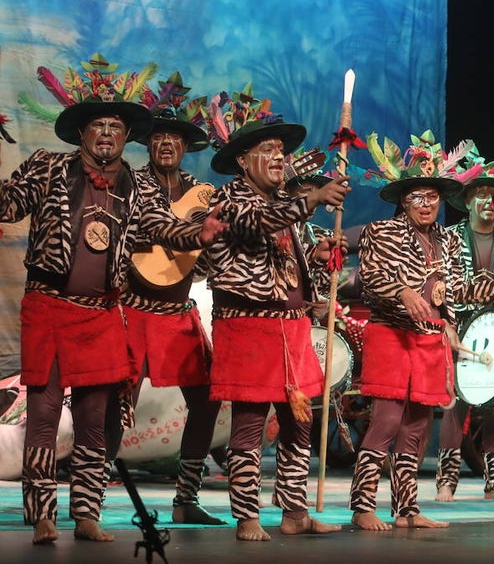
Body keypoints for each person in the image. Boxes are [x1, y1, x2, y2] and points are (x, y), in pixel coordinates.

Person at [2, 60, 225, 545]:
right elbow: (9, 204)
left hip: (104, 312)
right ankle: (42, 514)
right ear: (82, 131)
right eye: (98, 125)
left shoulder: (139, 184)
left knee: (94, 416)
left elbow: (161, 229)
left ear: (126, 136)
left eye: (116, 127)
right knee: (42, 414)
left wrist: (198, 232)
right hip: (49, 306)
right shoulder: (48, 166)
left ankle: (86, 514)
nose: (107, 133)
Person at [352, 132, 494, 530]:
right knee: (386, 423)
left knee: (415, 429)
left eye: (433, 196)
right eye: (419, 196)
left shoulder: (446, 241)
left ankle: (406, 509)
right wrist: (402, 291)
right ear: (403, 200)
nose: (428, 203)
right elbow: (372, 278)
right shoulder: (382, 233)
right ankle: (363, 506)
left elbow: (458, 291)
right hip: (392, 335)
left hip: (431, 340)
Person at [203, 90, 349, 542]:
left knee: (299, 422)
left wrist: (314, 251)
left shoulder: (283, 207)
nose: (277, 158)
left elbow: (277, 257)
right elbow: (253, 227)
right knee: (249, 424)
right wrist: (313, 198)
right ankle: (246, 517)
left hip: (291, 328)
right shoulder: (232, 198)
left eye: (281, 152)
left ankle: (294, 513)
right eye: (266, 151)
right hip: (249, 327)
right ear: (243, 160)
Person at [115, 81, 228, 525]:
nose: (166, 143)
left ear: (186, 146)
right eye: (158, 137)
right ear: (148, 144)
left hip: (178, 313)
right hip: (132, 308)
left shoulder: (204, 194)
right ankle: (88, 498)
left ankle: (186, 499)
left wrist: (203, 254)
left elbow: (208, 256)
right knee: (111, 403)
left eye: (175, 138)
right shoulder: (129, 183)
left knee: (206, 401)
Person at [436, 153, 494, 502]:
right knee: (456, 402)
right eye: (480, 196)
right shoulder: (450, 238)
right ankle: (447, 479)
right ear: (466, 200)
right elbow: (450, 287)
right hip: (461, 325)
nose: (488, 202)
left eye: (493, 196)